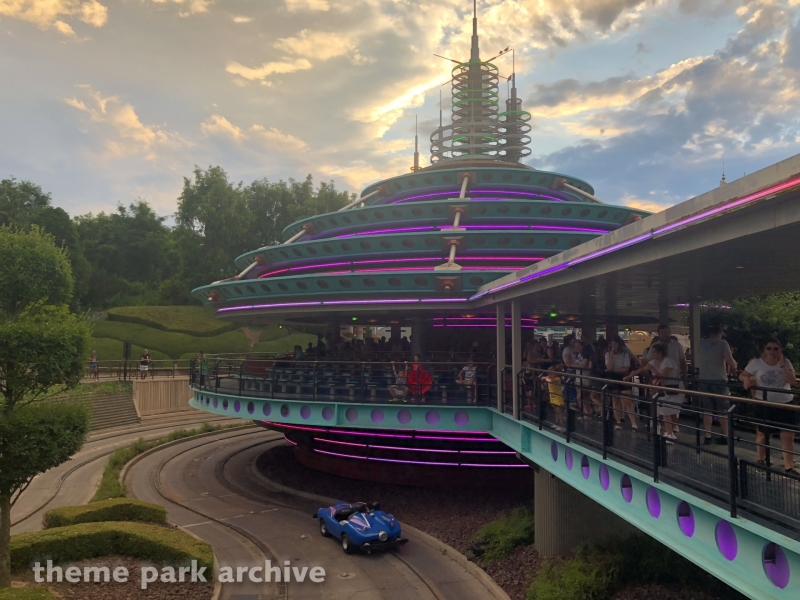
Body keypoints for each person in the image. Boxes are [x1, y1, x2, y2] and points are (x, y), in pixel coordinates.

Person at [739, 338, 799, 474]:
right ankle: (761, 459)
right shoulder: (756, 363)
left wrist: (782, 365)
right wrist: (746, 378)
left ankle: (789, 467)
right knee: (763, 434)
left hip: (785, 403)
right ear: (765, 350)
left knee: (787, 435)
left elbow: (792, 381)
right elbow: (742, 375)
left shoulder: (786, 362)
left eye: (776, 349)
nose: (772, 351)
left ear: (780, 350)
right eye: (769, 348)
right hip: (764, 403)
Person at [626, 343, 682, 439]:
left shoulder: (668, 361)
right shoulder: (654, 362)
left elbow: (661, 377)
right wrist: (630, 376)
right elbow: (642, 369)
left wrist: (653, 370)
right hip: (663, 389)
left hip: (673, 388)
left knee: (668, 411)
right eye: (652, 352)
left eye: (654, 352)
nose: (652, 354)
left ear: (660, 353)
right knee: (666, 411)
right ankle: (670, 431)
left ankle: (670, 433)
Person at [696, 326, 738, 445]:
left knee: (707, 409)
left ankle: (708, 436)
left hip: (703, 379)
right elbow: (730, 361)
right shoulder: (723, 343)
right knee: (722, 410)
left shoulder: (701, 343)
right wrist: (734, 368)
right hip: (719, 380)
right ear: (719, 333)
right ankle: (725, 436)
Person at [605, 335, 640, 428]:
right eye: (612, 344)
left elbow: (626, 368)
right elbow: (609, 367)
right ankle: (618, 421)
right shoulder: (608, 354)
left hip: (624, 376)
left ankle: (633, 423)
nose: (614, 346)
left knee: (627, 400)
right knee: (615, 400)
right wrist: (611, 356)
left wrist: (615, 370)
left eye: (615, 344)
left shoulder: (625, 353)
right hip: (613, 378)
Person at [542, 365, 566, 432]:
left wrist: (546, 379)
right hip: (552, 397)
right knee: (556, 411)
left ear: (556, 374)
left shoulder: (557, 379)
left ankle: (562, 425)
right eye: (549, 374)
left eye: (551, 374)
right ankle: (557, 423)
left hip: (558, 397)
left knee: (559, 412)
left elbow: (550, 381)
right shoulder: (549, 377)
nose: (549, 375)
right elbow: (543, 378)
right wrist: (544, 378)